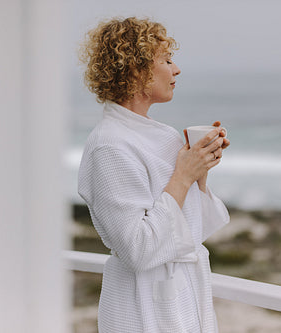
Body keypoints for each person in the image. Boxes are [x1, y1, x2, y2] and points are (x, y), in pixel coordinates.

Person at [77, 17, 231, 332]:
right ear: (137, 69)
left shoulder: (163, 136)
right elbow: (138, 248)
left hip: (186, 295)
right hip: (142, 306)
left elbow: (193, 231)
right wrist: (183, 175)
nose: (176, 69)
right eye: (167, 60)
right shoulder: (110, 147)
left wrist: (199, 169)